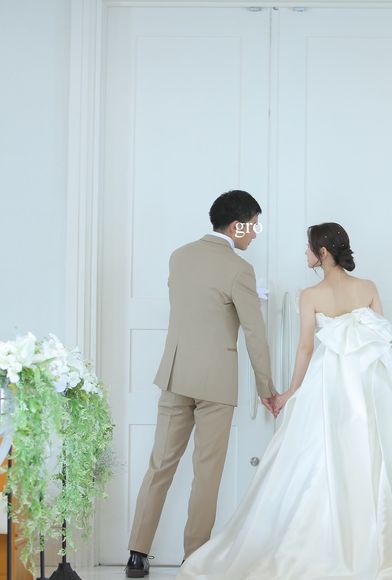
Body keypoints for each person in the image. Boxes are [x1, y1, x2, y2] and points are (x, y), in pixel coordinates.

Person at [176, 222, 392, 580]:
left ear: (322, 252)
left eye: (308, 247)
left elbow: (306, 348)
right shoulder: (368, 287)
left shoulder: (310, 295)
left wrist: (291, 392)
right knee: (375, 456)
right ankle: (378, 543)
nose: (305, 253)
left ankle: (329, 545)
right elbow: (385, 338)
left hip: (330, 385)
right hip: (372, 382)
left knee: (321, 457)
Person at [125, 190, 278, 578]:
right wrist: (266, 388)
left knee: (159, 466)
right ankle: (193, 558)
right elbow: (254, 334)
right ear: (236, 226)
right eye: (253, 225)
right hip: (216, 382)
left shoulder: (179, 256)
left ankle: (136, 555)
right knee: (206, 473)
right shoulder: (239, 270)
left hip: (175, 374)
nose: (255, 233)